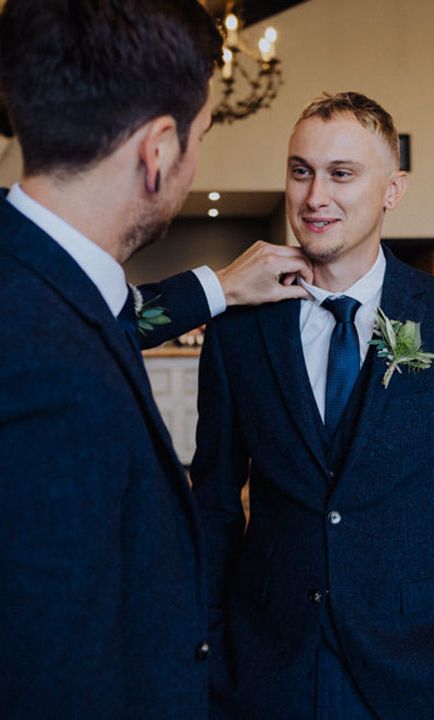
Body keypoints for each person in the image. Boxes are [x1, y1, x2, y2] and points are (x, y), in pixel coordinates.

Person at [0, 1, 310, 717]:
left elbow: (103, 313)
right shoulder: (43, 374)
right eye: (202, 136)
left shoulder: (38, 281)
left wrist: (218, 287)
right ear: (160, 148)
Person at [191, 91, 434, 720]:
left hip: (420, 662)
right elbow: (214, 503)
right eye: (301, 171)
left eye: (341, 174)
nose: (315, 196)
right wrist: (211, 644)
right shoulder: (238, 330)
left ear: (392, 190)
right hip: (266, 662)